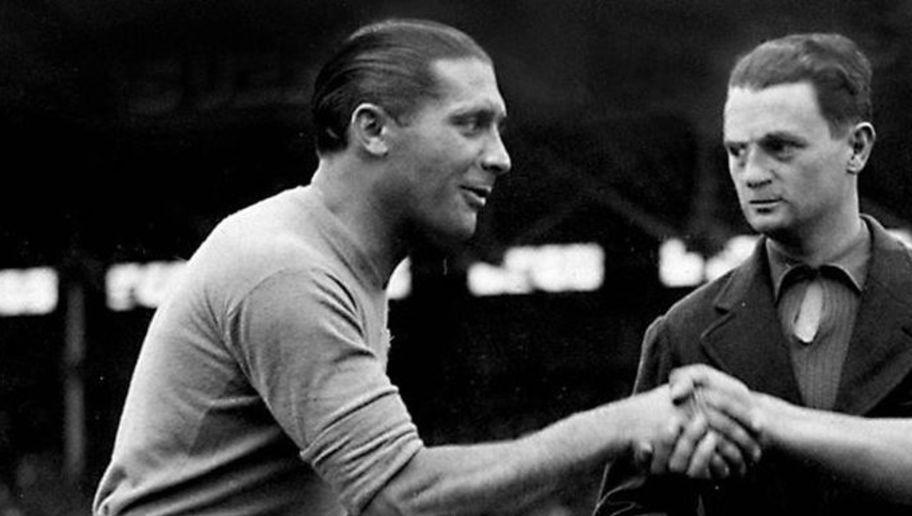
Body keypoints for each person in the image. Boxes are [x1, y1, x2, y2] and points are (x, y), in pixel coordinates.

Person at [93, 19, 757, 515]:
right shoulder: (286, 269)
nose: (501, 157)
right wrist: (622, 424)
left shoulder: (329, 256)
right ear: (374, 130)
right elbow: (398, 498)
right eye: (471, 124)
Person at [595, 32, 912, 516]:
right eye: (737, 151)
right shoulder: (684, 330)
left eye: (779, 147)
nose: (751, 174)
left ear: (857, 148)